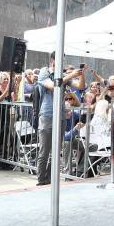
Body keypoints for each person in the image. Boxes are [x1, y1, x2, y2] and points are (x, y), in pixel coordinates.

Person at [35, 51, 83, 186]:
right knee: (45, 149)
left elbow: (80, 86)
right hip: (47, 114)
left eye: (64, 59)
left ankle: (51, 178)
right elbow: (53, 86)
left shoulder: (64, 75)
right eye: (60, 59)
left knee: (57, 150)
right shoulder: (45, 72)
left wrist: (81, 74)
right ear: (52, 60)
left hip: (61, 116)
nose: (62, 62)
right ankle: (41, 179)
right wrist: (71, 75)